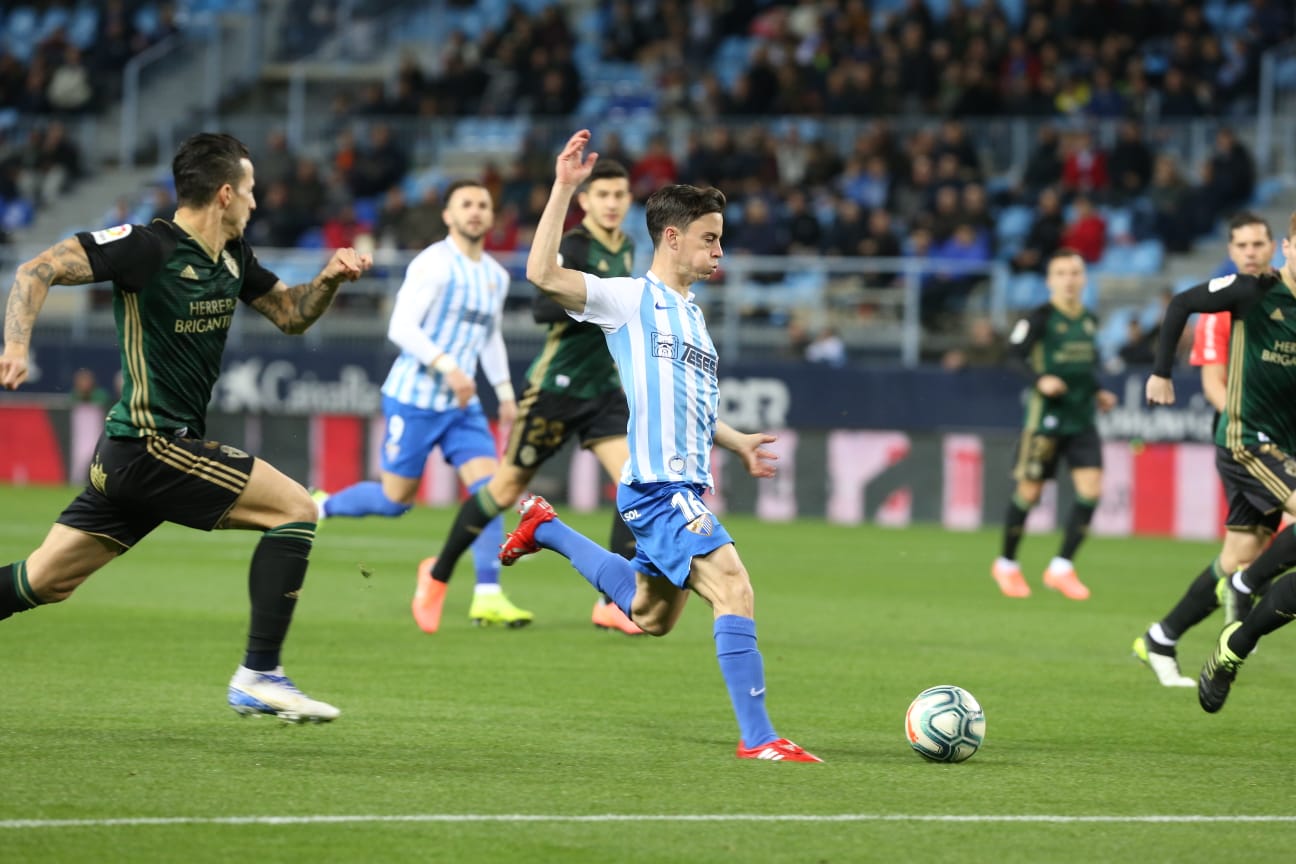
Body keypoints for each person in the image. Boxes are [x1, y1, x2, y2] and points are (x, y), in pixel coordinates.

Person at [0, 132, 372, 721]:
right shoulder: (146, 247)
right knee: (295, 509)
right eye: (250, 192)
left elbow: (292, 315)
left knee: (42, 582)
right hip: (150, 447)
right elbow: (34, 270)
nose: (256, 203)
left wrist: (327, 279)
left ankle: (260, 676)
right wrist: (15, 347)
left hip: (130, 458)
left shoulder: (232, 257)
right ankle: (259, 675)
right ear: (225, 194)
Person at [500, 129, 822, 763]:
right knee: (733, 586)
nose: (720, 250)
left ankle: (545, 528)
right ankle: (760, 739)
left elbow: (691, 407)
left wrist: (734, 441)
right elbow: (540, 272)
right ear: (671, 237)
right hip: (656, 488)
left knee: (651, 616)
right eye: (710, 238)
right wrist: (565, 186)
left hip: (682, 485)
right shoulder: (628, 299)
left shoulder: (695, 315)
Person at [414, 160, 645, 636]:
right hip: (554, 392)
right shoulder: (576, 245)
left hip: (602, 390)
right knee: (501, 491)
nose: (612, 203)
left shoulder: (626, 246)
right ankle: (436, 576)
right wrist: (593, 299)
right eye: (602, 195)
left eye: (620, 195)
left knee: (635, 483)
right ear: (584, 201)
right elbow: (543, 305)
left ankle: (610, 602)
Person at [312, 180, 529, 633]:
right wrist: (448, 365)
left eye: (483, 205)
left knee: (493, 491)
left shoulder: (496, 274)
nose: (475, 211)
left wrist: (506, 392)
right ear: (448, 216)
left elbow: (489, 335)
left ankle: (487, 595)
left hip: (462, 409)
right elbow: (401, 326)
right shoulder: (434, 264)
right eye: (465, 204)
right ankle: (322, 506)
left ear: (492, 217)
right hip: (414, 400)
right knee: (396, 502)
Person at [1147, 211, 1296, 712]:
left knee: (1237, 554)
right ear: (1288, 248)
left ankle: (1162, 635)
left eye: (1259, 242)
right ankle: (1248, 587)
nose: (1253, 251)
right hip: (1246, 440)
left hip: (1284, 448)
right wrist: (1161, 372)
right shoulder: (1254, 292)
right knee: (1248, 564)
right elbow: (1184, 302)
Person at [991, 248, 1117, 600]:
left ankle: (1061, 567)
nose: (1068, 279)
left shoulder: (1089, 320)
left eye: (1074, 273)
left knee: (1091, 491)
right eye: (1061, 273)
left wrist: (1099, 392)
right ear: (1049, 280)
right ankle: (1007, 564)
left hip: (1081, 418)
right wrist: (1039, 379)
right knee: (1029, 493)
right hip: (1045, 419)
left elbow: (1084, 366)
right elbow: (1012, 355)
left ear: (1084, 278)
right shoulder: (1039, 318)